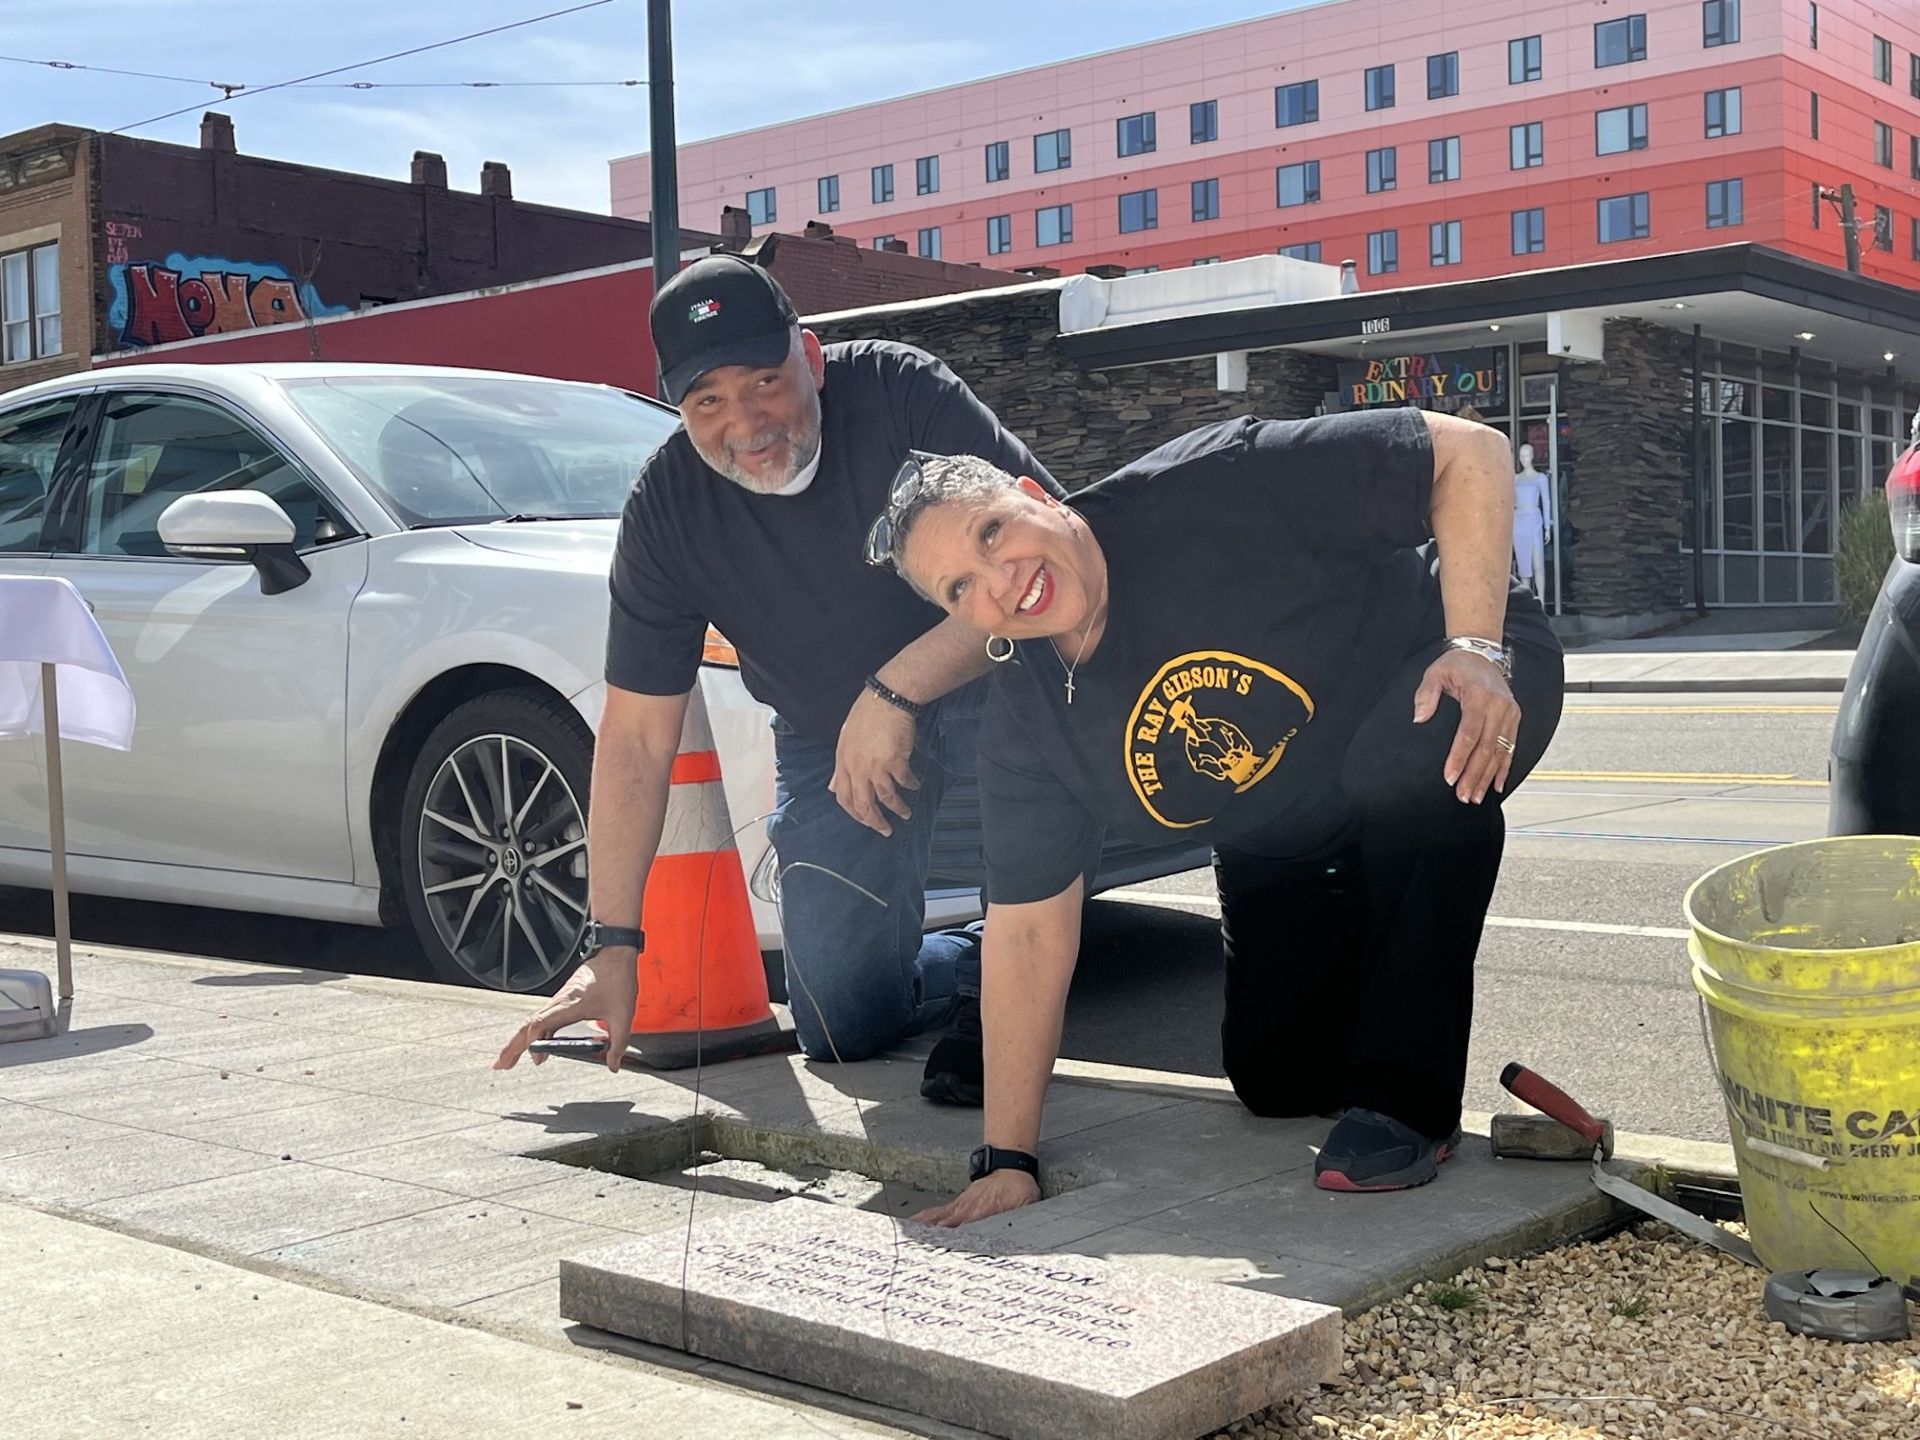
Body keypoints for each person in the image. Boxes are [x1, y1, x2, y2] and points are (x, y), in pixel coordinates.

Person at [862, 407, 1564, 1224]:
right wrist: (1009, 1158)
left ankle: (1407, 1099)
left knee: (1410, 770)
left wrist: (1475, 645)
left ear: (1033, 494)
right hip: (1287, 803)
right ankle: (1344, 942)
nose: (1000, 582)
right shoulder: (1028, 726)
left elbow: (1470, 453)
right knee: (1278, 1082)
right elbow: (1025, 932)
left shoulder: (1214, 483)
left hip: (1450, 667)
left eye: (991, 534)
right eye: (961, 588)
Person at [493, 253, 1058, 1103]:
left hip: (994, 682)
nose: (746, 421)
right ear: (678, 409)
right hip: (828, 737)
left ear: (813, 358)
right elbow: (641, 738)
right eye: (707, 400)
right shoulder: (666, 513)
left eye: (764, 379)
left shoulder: (903, 394)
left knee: (1048, 727)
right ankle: (986, 956)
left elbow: (1054, 552)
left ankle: (1022, 968)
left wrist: (896, 688)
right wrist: (612, 949)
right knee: (838, 1024)